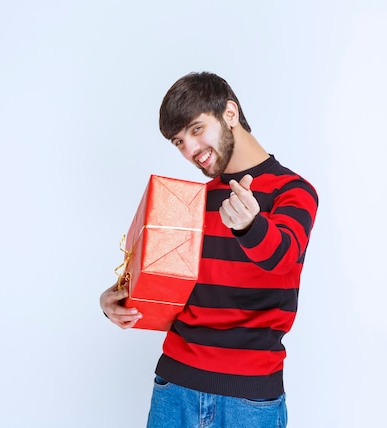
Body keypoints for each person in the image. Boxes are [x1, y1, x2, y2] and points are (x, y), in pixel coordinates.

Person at [100, 72, 318, 427]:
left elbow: (282, 258)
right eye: (178, 142)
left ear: (229, 113)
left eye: (196, 129)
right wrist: (118, 300)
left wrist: (250, 225)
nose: (190, 150)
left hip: (250, 401)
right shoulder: (191, 202)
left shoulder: (293, 191)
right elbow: (167, 286)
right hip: (174, 389)